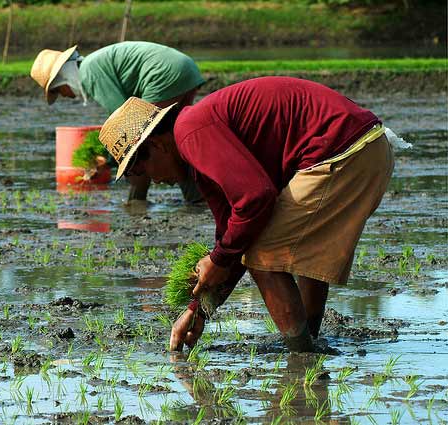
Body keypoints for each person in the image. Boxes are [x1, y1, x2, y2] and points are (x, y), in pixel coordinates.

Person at [97, 76, 396, 352]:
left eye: (139, 169)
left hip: (343, 151)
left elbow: (256, 199)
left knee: (263, 254)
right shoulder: (197, 141)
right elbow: (233, 234)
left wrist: (219, 259)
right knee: (292, 253)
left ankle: (302, 354)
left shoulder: (191, 133)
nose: (150, 180)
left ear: (157, 145)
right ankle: (310, 342)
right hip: (366, 146)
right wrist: (198, 309)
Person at [30, 41, 205, 203]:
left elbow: (127, 123)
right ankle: (197, 199)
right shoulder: (93, 65)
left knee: (140, 148)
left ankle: (137, 204)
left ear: (62, 80)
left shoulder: (90, 72)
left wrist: (106, 160)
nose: (65, 96)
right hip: (184, 69)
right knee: (174, 141)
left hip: (163, 76)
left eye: (59, 91)